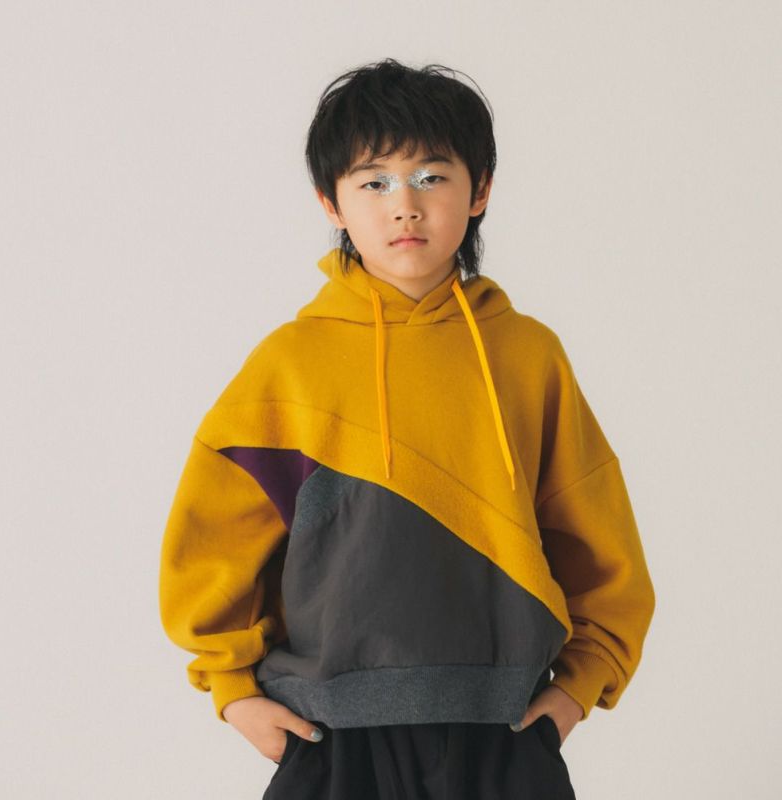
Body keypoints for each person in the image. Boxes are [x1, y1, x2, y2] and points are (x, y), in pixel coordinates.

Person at [158, 58, 656, 799]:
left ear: (479, 191)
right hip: (331, 737)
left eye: (431, 176)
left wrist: (579, 687)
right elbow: (215, 542)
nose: (405, 207)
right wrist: (232, 691)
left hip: (504, 734)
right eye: (374, 182)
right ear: (331, 202)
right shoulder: (290, 366)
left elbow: (597, 537)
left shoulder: (528, 357)